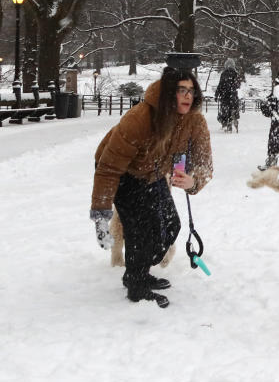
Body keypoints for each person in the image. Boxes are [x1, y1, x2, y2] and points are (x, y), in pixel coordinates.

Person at [89, 67, 213, 308]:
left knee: (169, 224)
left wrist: (193, 180)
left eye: (191, 90)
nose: (188, 96)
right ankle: (136, 284)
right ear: (168, 94)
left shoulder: (194, 120)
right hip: (122, 171)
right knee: (140, 229)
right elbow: (108, 168)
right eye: (181, 91)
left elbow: (204, 162)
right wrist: (101, 215)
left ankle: (141, 269)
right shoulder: (140, 118)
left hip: (154, 171)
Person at [214, 58, 242, 132]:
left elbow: (220, 85)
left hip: (225, 95)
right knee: (233, 110)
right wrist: (232, 88)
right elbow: (238, 85)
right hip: (233, 96)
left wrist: (217, 94)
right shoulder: (236, 74)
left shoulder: (223, 74)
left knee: (225, 111)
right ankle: (234, 123)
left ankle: (226, 123)